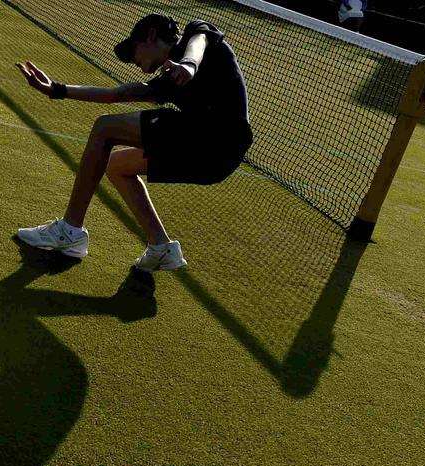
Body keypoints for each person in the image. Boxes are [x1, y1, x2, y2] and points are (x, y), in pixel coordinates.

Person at [15, 14, 253, 272]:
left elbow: (199, 43)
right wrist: (57, 90)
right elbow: (116, 95)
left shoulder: (195, 34)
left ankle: (69, 231)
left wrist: (188, 65)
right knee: (117, 166)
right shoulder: (168, 81)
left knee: (105, 128)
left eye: (134, 50)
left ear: (151, 35)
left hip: (219, 136)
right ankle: (161, 248)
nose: (134, 62)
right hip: (216, 160)